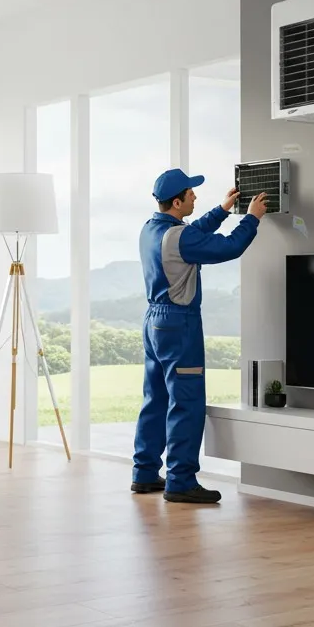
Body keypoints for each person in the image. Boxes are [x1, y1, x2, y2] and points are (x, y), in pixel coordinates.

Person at [133, 169, 266, 503]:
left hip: (154, 324)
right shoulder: (180, 238)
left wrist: (221, 211)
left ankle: (145, 473)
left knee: (157, 399)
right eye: (190, 193)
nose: (195, 196)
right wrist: (252, 218)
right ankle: (180, 481)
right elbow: (230, 247)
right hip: (180, 325)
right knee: (186, 404)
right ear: (177, 201)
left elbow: (190, 235)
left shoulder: (151, 229)